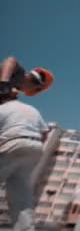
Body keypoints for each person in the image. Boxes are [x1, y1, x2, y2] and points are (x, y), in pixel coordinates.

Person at [0, 87, 49, 230]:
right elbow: (45, 133)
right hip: (35, 147)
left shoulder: (2, 109)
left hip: (12, 144)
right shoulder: (31, 109)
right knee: (20, 195)